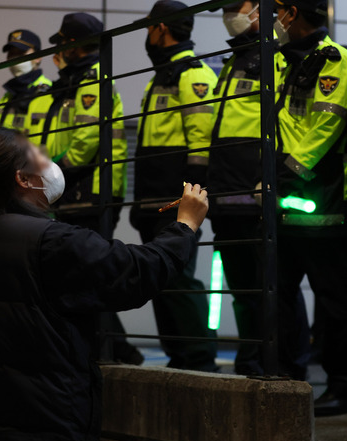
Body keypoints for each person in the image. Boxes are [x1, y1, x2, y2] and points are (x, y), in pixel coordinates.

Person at [0, 127, 209, 441]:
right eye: (41, 156)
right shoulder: (48, 242)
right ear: (23, 179)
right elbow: (135, 272)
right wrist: (185, 225)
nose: (51, 162)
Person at [273, 0, 347, 416]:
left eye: (278, 11)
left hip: (320, 194)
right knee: (281, 293)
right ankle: (286, 377)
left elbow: (329, 124)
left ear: (293, 13)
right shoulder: (280, 61)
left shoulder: (337, 61)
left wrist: (290, 168)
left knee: (333, 296)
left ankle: (345, 387)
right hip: (282, 196)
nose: (274, 20)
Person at [46, 12, 140, 364]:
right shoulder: (75, 82)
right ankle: (113, 348)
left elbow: (84, 143)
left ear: (73, 43)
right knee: (81, 271)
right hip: (79, 189)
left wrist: (51, 173)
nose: (59, 52)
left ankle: (119, 350)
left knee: (89, 270)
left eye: (63, 44)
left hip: (90, 189)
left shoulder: (91, 80)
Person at [131, 0, 219, 372]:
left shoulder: (192, 75)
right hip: (154, 197)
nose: (147, 36)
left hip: (174, 199)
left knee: (178, 278)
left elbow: (201, 146)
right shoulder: (163, 76)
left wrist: (187, 200)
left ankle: (199, 357)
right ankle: (180, 356)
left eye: (149, 27)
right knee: (160, 279)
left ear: (161, 29)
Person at [206, 0, 286, 375]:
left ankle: (265, 360)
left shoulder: (277, 56)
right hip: (225, 197)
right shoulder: (234, 60)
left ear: (259, 10)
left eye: (236, 7)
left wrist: (266, 179)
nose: (229, 16)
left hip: (253, 195)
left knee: (261, 287)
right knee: (241, 291)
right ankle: (250, 356)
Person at [0, 29, 53, 136]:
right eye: (11, 53)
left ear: (38, 57)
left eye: (21, 53)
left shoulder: (48, 91)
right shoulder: (8, 95)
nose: (15, 58)